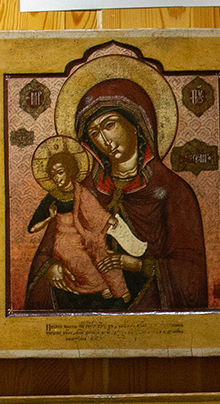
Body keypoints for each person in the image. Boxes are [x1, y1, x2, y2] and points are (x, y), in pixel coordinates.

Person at [24, 78, 208, 312]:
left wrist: (138, 265)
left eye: (109, 125)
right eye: (94, 133)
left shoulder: (173, 191)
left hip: (148, 312)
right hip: (84, 309)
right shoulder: (82, 190)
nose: (104, 140)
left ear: (136, 124)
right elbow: (47, 251)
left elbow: (191, 272)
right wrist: (52, 269)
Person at [26, 143, 129, 302]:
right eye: (53, 175)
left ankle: (120, 288)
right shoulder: (52, 196)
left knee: (99, 250)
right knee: (79, 258)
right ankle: (101, 286)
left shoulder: (80, 190)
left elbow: (93, 209)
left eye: (60, 172)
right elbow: (32, 228)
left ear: (69, 171)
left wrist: (108, 218)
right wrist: (49, 218)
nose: (57, 178)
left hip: (83, 229)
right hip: (64, 237)